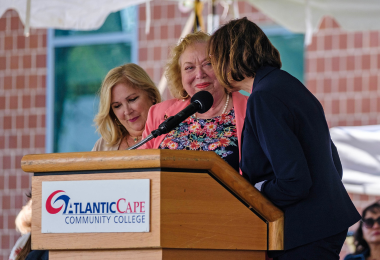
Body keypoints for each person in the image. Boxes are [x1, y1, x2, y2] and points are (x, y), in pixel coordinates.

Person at [208, 17, 361, 259]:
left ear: (229, 58)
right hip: (322, 224)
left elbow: (294, 181)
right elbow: (332, 163)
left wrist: (255, 191)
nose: (212, 72)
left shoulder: (264, 97)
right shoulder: (288, 85)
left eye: (213, 62)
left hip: (302, 231)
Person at [142, 31, 248, 173]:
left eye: (208, 64)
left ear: (224, 67)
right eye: (189, 68)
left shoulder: (252, 110)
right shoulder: (158, 113)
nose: (199, 74)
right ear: (180, 76)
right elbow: (141, 169)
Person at [92, 63, 161, 151]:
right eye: (117, 106)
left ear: (151, 95)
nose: (127, 111)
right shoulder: (102, 147)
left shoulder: (174, 135)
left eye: (132, 99)